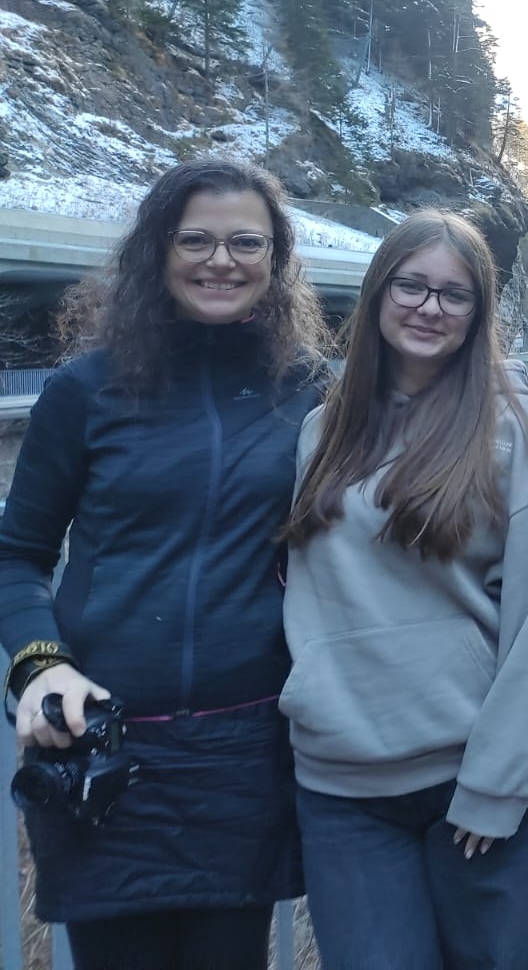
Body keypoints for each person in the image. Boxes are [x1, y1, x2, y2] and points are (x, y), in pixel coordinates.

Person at [0, 158, 328, 970]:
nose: (222, 260)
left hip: (243, 753)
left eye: (246, 242)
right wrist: (40, 664)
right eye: (196, 240)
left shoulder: (308, 391)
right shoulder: (85, 392)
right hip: (106, 748)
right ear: (159, 250)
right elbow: (16, 555)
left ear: (276, 257)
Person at [281, 210, 528, 970]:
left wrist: (498, 783)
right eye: (410, 286)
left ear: (478, 313)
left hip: (477, 783)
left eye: (454, 295)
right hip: (345, 790)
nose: (429, 307)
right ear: (378, 293)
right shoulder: (322, 432)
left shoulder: (521, 430)